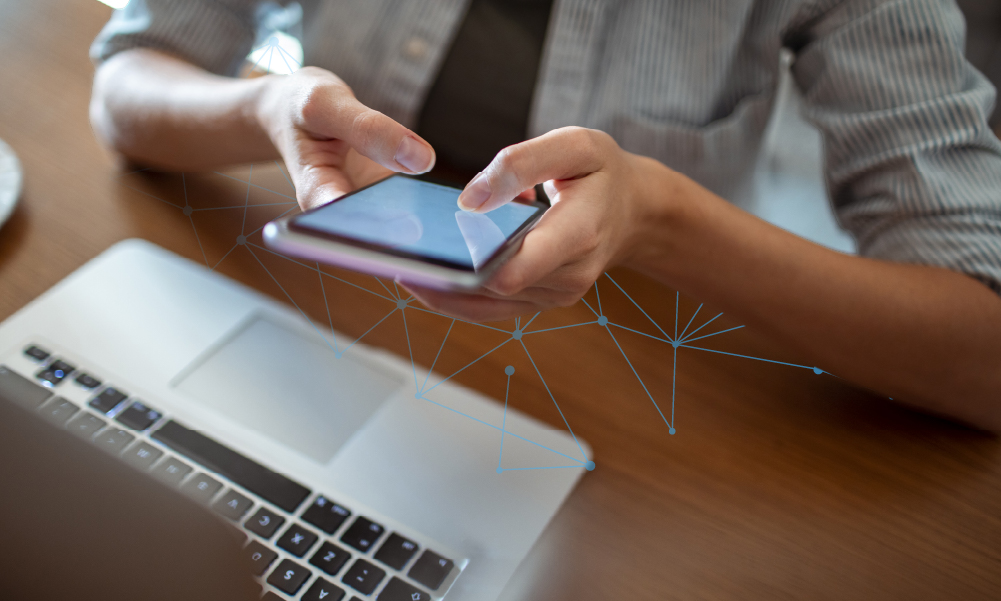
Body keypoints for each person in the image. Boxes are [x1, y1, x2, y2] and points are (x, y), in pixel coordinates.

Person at [89, 0, 1001, 430]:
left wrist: (657, 215)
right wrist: (262, 110)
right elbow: (126, 85)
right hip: (319, 334)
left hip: (624, 396)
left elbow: (980, 355)